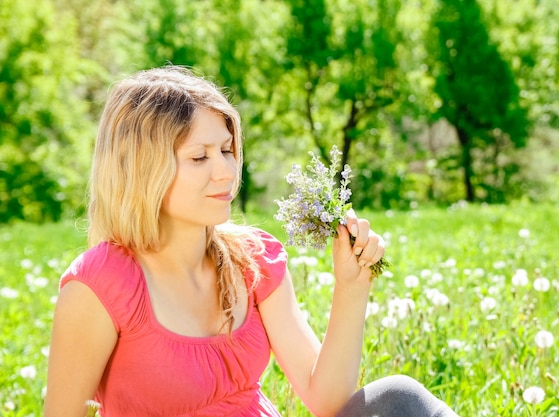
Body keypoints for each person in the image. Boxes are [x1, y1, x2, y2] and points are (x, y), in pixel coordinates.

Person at [44, 66, 459, 417]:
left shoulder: (253, 259)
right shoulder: (99, 285)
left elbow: (326, 399)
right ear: (141, 168)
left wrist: (352, 287)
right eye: (199, 157)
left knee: (400, 399)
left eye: (226, 150)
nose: (225, 171)